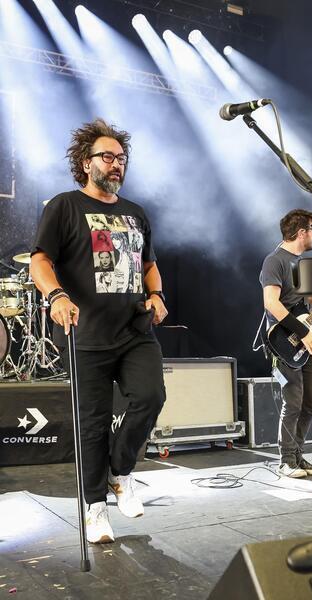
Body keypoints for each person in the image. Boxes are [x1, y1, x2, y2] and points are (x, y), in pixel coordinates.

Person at [30, 118, 168, 544]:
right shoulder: (64, 206)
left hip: (134, 329)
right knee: (92, 424)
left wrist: (156, 294)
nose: (116, 164)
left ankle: (120, 471)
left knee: (151, 396)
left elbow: (148, 263)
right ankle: (95, 508)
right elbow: (39, 260)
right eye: (107, 156)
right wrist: (56, 295)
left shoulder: (136, 213)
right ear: (85, 162)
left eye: (121, 158)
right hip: (85, 333)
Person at [260, 208, 312, 478]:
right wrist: (302, 331)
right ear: (301, 232)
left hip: (307, 340)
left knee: (310, 404)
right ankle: (286, 461)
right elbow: (271, 303)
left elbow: (305, 303)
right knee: (294, 403)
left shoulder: (302, 264)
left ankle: (298, 457)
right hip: (284, 343)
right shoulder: (274, 261)